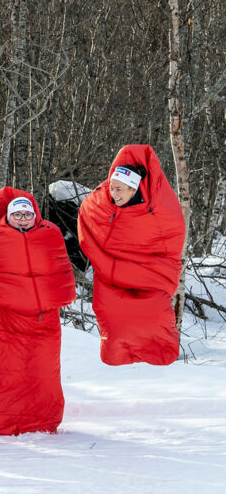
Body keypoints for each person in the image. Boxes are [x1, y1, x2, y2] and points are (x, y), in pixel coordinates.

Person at [0, 189, 76, 435]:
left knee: (43, 373)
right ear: (7, 216)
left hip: (44, 319)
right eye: (17, 214)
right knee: (8, 373)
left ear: (35, 214)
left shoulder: (49, 233)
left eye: (27, 213)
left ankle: (44, 421)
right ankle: (5, 421)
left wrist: (59, 294)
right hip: (8, 320)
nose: (23, 218)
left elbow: (60, 267)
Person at [77, 145, 186, 366]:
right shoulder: (101, 201)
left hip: (151, 277)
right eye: (112, 188)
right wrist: (107, 264)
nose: (113, 194)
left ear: (134, 189)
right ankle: (118, 354)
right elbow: (86, 225)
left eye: (120, 190)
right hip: (112, 276)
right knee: (112, 313)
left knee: (153, 314)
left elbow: (172, 241)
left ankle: (157, 353)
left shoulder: (161, 208)